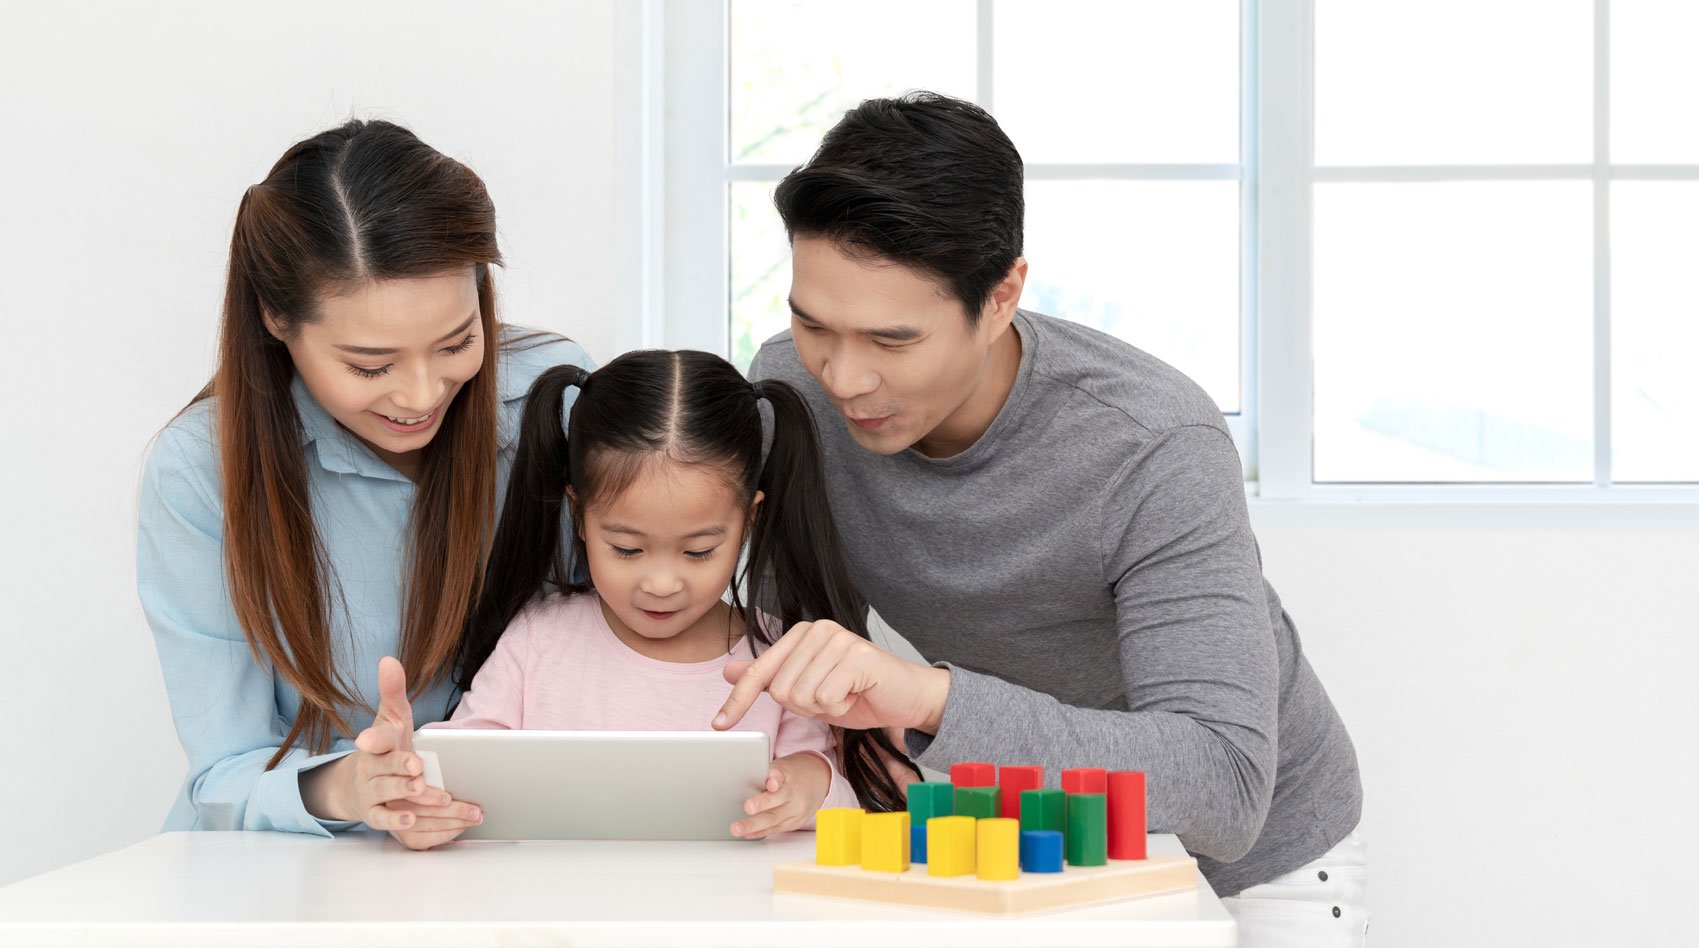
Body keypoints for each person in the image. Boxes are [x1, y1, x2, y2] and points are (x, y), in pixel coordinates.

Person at [719, 92, 1367, 945]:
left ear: (1000, 297)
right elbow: (785, 644)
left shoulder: (1153, 441)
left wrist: (926, 699)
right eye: (813, 323)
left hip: (1253, 863)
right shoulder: (792, 394)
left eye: (893, 340)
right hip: (1012, 833)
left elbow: (1225, 783)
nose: (843, 377)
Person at [136, 119, 590, 852]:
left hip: (510, 852)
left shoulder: (551, 397)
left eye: (456, 343)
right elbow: (222, 774)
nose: (420, 395)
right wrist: (347, 785)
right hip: (289, 870)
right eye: (371, 366)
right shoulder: (200, 471)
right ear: (275, 317)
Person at [432, 349, 911, 843]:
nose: (662, 583)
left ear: (748, 521)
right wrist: (416, 787)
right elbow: (464, 760)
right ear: (578, 516)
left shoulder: (777, 655)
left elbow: (834, 795)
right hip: (556, 910)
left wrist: (809, 785)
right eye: (627, 548)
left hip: (724, 913)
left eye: (699, 552)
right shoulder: (538, 638)